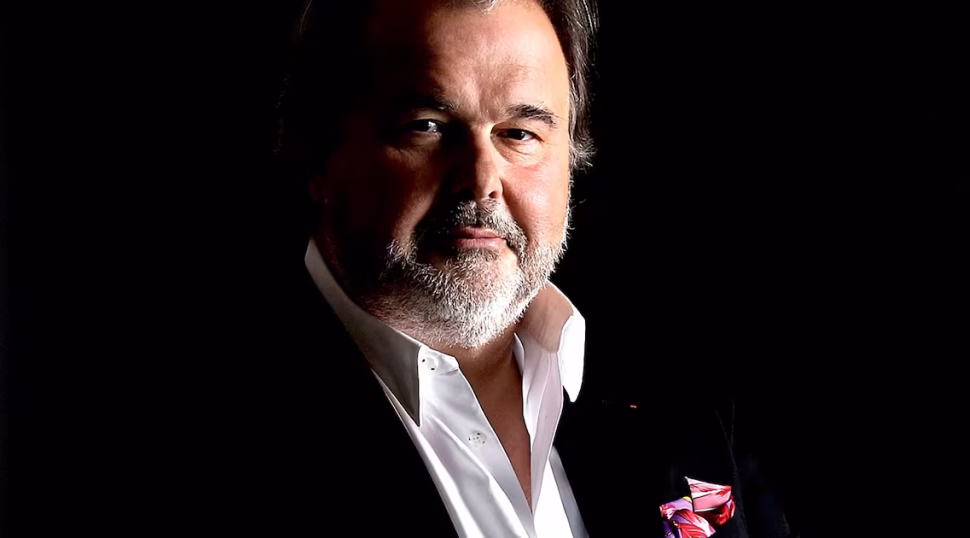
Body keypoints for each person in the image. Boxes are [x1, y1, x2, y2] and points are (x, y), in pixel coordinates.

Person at [273, 1, 797, 536]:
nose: (481, 181)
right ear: (320, 157)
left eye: (519, 133)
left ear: (570, 158)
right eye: (427, 126)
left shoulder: (681, 400)